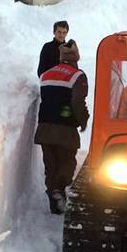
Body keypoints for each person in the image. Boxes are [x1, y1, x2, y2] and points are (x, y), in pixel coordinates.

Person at [35, 41, 89, 214]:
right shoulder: (77, 76)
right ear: (75, 57)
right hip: (65, 129)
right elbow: (77, 102)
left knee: (50, 165)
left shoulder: (46, 75)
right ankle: (59, 189)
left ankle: (54, 201)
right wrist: (83, 119)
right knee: (67, 163)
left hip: (44, 128)